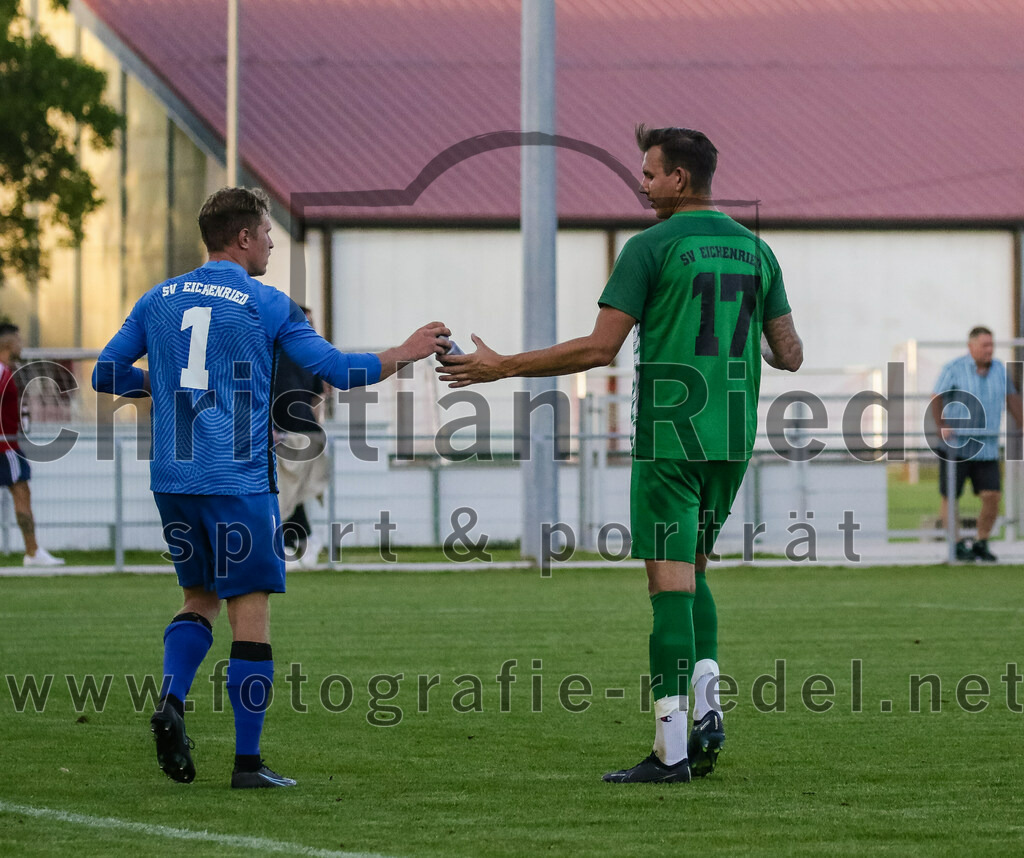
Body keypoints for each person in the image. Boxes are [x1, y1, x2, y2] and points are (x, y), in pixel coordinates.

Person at [439, 125, 802, 783]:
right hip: (732, 437)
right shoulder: (756, 249)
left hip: (670, 436)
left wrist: (503, 367)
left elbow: (599, 349)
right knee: (694, 570)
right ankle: (708, 708)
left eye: (648, 173)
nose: (641, 184)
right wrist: (744, 338)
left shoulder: (651, 246)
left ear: (679, 180)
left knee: (666, 584)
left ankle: (671, 751)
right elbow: (792, 353)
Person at [93, 187, 449, 788]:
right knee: (249, 620)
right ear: (242, 238)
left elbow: (105, 372)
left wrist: (163, 386)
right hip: (237, 480)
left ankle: (173, 701)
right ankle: (247, 764)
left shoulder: (157, 297)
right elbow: (338, 370)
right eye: (265, 233)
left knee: (197, 599)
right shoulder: (267, 302)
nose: (272, 243)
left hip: (175, 478)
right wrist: (407, 351)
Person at [930, 326, 1022, 562]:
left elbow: (1011, 398)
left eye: (991, 345)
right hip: (956, 445)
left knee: (992, 495)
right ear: (971, 346)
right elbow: (936, 396)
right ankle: (957, 545)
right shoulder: (954, 368)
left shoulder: (1000, 370)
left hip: (987, 446)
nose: (989, 350)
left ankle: (981, 541)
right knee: (951, 496)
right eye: (984, 345)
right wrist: (941, 425)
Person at [0, 323, 64, 567]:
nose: (21, 345)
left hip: (7, 444)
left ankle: (33, 552)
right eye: (18, 340)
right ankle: (32, 552)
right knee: (22, 493)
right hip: (5, 447)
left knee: (22, 493)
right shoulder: (1, 370)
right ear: (8, 344)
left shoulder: (7, 370)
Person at [272, 305, 328, 569]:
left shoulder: (297, 356)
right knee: (293, 493)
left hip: (294, 433)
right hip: (302, 432)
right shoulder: (303, 356)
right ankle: (303, 541)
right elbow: (317, 396)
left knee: (283, 492)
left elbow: (316, 396)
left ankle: (291, 544)